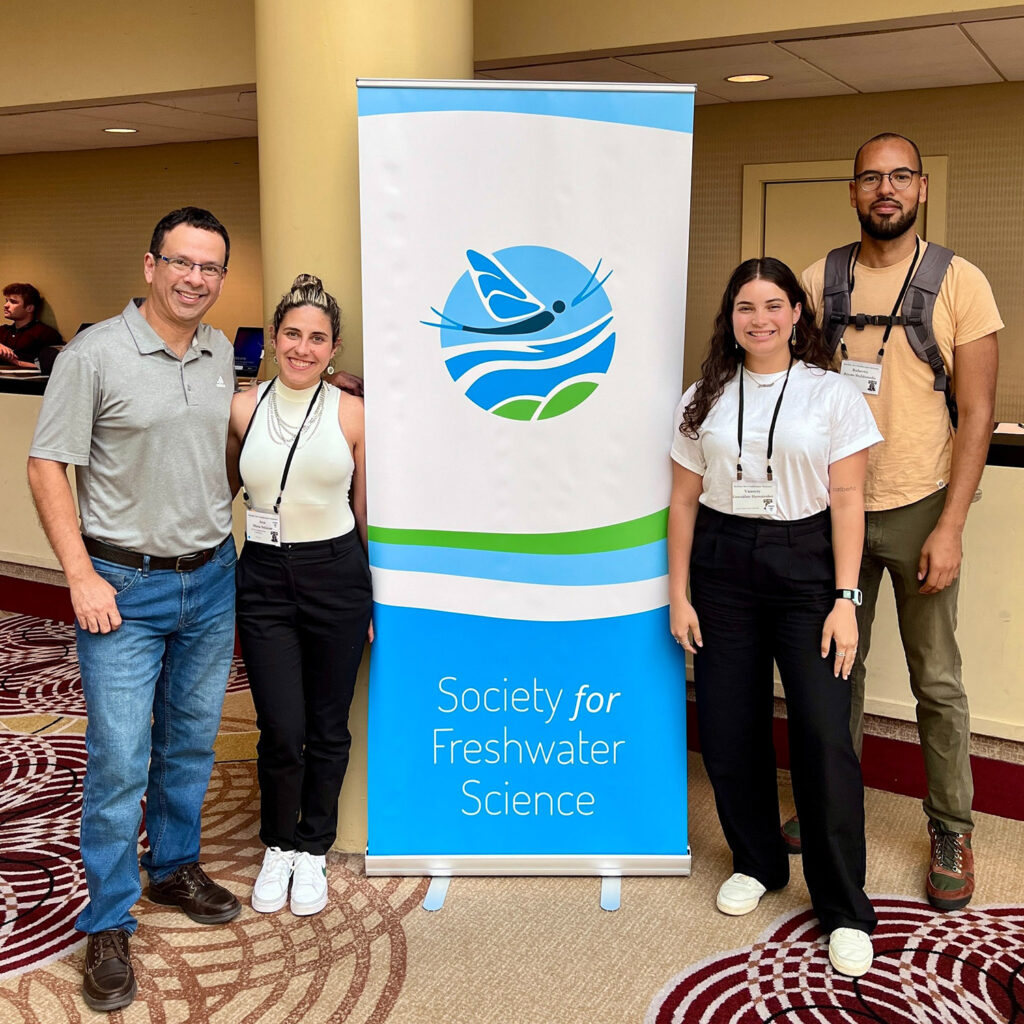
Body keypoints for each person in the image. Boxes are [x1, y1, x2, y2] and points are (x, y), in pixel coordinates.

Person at [27, 207, 241, 1013]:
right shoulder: (93, 356)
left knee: (190, 743)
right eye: (182, 263)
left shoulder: (221, 350)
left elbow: (217, 446)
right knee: (120, 762)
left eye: (210, 268)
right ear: (150, 265)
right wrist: (80, 575)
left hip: (213, 578)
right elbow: (47, 465)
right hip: (122, 588)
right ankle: (109, 919)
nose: (196, 279)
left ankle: (175, 865)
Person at [797, 133, 1001, 911]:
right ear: (853, 192)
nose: (886, 189)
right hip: (833, 505)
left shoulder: (960, 282)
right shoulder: (822, 277)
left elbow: (978, 415)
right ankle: (829, 807)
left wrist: (949, 526)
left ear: (919, 189)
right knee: (832, 671)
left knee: (936, 681)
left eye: (901, 176)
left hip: (920, 506)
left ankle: (952, 826)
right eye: (871, 178)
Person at [668, 257, 882, 977]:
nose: (758, 319)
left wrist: (846, 601)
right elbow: (684, 501)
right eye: (744, 308)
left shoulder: (832, 395)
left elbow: (848, 501)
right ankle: (758, 862)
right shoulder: (703, 397)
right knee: (729, 726)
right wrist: (679, 592)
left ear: (797, 313)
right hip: (723, 565)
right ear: (729, 319)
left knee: (824, 733)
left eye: (772, 305)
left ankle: (844, 907)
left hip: (806, 564)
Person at [227, 274, 372, 918]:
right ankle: (279, 844)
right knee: (280, 726)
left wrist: (373, 598)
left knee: (327, 723)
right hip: (261, 575)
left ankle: (314, 847)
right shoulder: (242, 407)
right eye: (292, 333)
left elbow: (366, 512)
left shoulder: (352, 414)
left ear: (333, 348)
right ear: (275, 339)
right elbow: (218, 492)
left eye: (317, 338)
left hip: (337, 574)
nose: (303, 347)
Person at [1, 283, 62, 367]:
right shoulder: (3, 331)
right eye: (6, 301)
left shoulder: (45, 334)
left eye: (13, 302)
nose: (5, 305)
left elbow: (55, 367)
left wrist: (16, 362)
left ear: (29, 308)